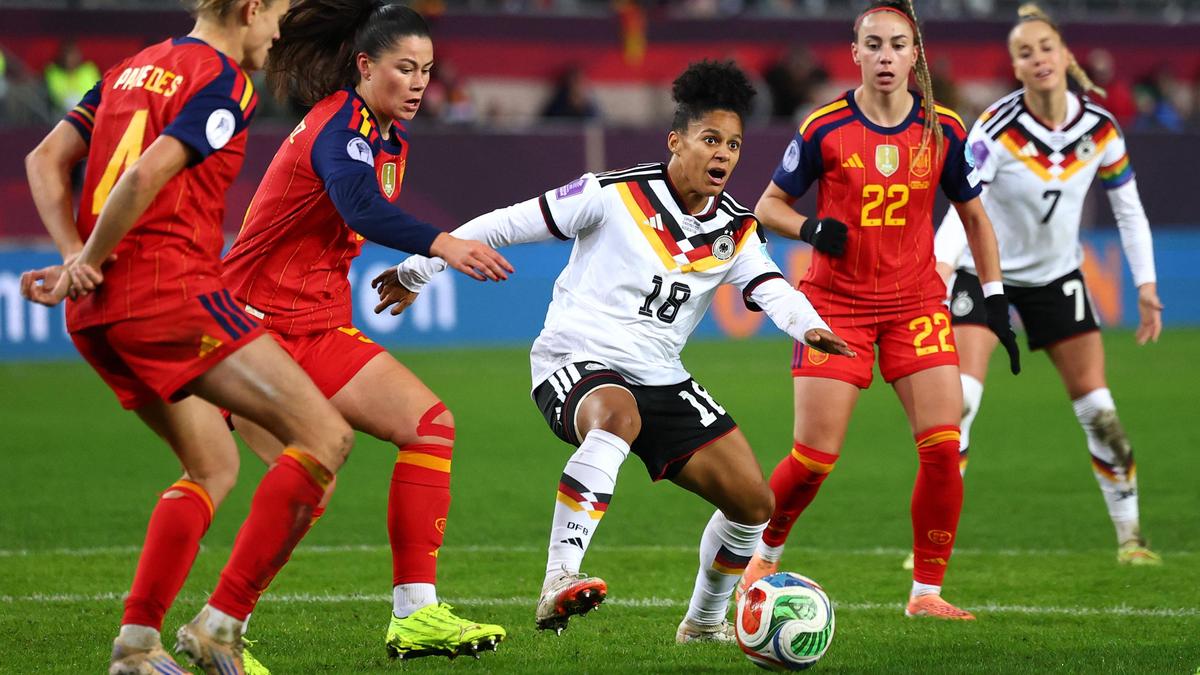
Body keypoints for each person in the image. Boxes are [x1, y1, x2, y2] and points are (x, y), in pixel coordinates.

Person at [375, 59, 855, 643]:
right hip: (574, 359)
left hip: (661, 376)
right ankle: (559, 576)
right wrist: (419, 269)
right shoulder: (610, 194)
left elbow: (769, 286)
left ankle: (703, 625)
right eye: (710, 139)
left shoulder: (736, 228)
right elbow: (503, 225)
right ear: (675, 141)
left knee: (754, 505)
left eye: (733, 144)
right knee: (617, 415)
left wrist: (808, 326)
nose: (724, 154)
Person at [19, 2, 357, 673]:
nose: (278, 32)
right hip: (169, 295)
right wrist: (88, 257)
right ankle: (219, 626)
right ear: (250, 9)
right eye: (276, 14)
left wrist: (76, 258)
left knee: (212, 464)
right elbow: (145, 174)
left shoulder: (128, 69)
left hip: (96, 313)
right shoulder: (224, 79)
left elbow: (44, 157)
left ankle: (136, 645)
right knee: (326, 437)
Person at [219, 0, 510, 663]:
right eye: (404, 68)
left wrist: (409, 273)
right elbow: (358, 206)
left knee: (429, 425)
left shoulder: (387, 139)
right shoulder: (339, 126)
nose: (418, 83)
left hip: (315, 324)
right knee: (309, 476)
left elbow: (348, 221)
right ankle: (219, 630)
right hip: (253, 330)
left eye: (426, 71)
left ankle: (415, 613)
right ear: (365, 65)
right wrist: (441, 245)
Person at [737, 0, 1021, 621]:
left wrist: (996, 298)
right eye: (874, 44)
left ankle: (926, 594)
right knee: (813, 460)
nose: (885, 56)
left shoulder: (944, 130)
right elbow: (767, 206)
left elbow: (975, 218)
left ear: (914, 54)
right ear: (855, 53)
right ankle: (761, 555)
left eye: (897, 44)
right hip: (835, 306)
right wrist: (811, 229)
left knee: (944, 447)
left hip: (915, 304)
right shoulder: (824, 127)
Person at [933, 3, 1162, 566]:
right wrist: (941, 264)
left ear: (1064, 55)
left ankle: (1132, 540)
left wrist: (1146, 284)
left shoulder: (1100, 129)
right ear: (1015, 67)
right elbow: (965, 204)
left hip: (1057, 277)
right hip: (984, 274)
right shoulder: (996, 128)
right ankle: (931, 543)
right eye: (1024, 52)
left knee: (1100, 412)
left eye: (1045, 47)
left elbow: (1129, 210)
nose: (1037, 58)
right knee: (958, 405)